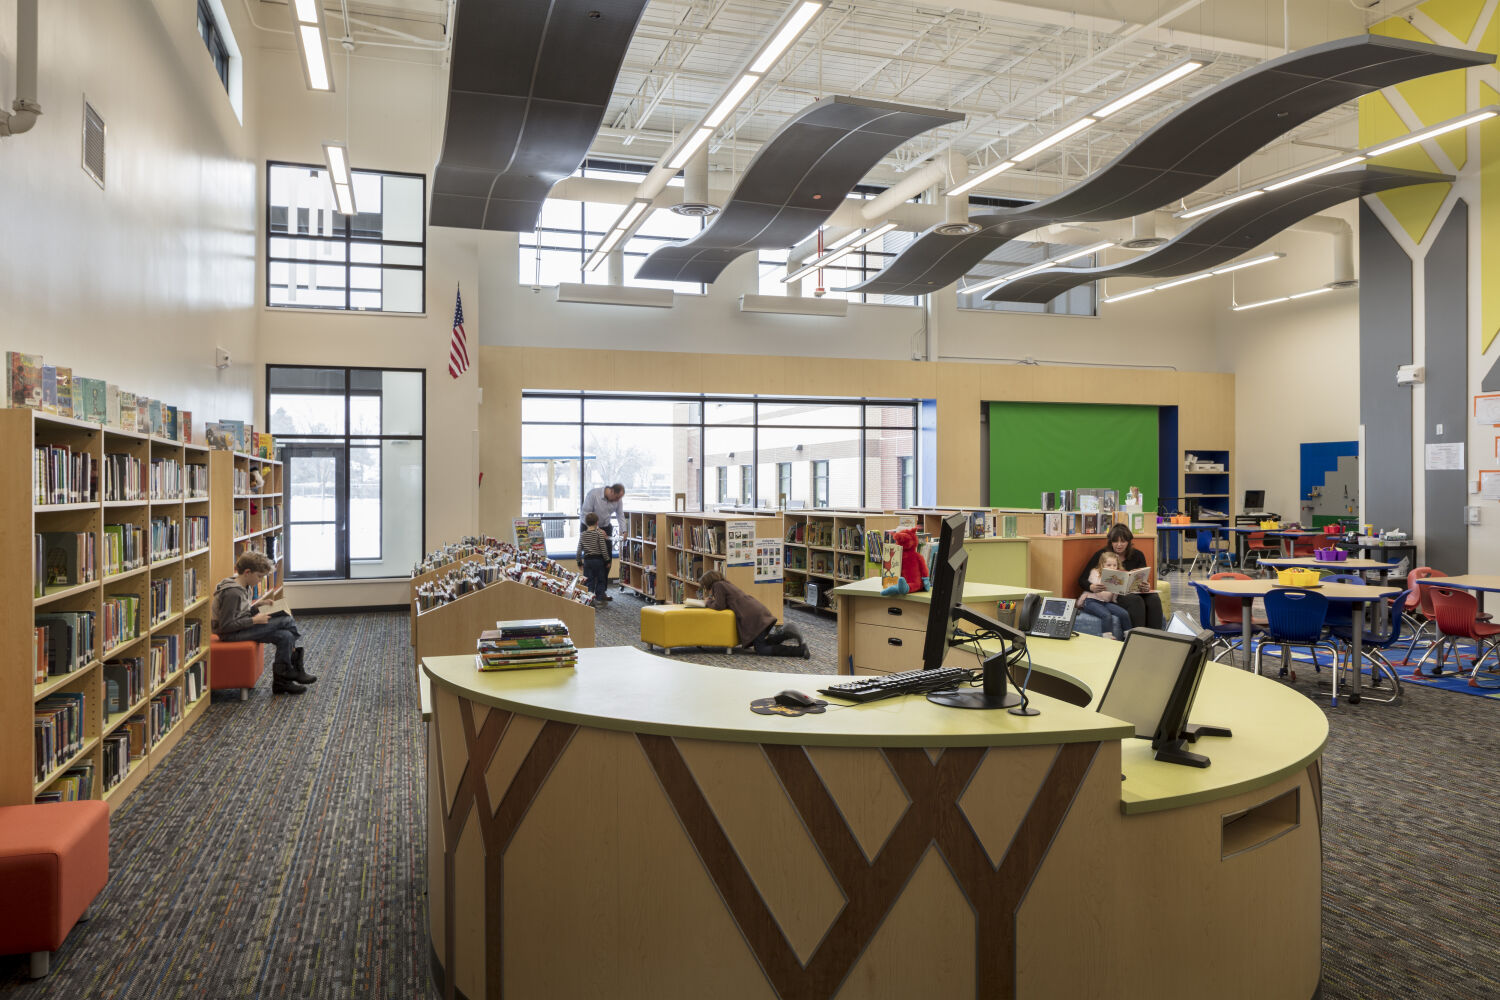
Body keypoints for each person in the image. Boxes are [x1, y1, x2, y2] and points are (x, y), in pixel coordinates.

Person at [212, 551, 316, 694]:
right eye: (259, 576)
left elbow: (241, 611)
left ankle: (281, 683)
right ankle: (295, 667)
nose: (260, 581)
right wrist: (254, 620)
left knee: (285, 636)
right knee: (286, 620)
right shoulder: (233, 593)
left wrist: (258, 605)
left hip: (242, 628)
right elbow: (226, 626)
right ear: (247, 572)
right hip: (231, 634)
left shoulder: (242, 585)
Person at [697, 570, 809, 658]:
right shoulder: (724, 583)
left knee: (762, 650)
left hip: (753, 617)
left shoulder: (718, 585)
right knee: (762, 644)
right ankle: (786, 633)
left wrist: (708, 602)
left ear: (708, 583)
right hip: (756, 612)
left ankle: (799, 650)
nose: (706, 590)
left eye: (705, 587)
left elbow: (719, 606)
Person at [1077, 524, 1164, 630]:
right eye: (1115, 541)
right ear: (1110, 542)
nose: (1119, 545)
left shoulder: (1137, 555)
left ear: (1129, 542)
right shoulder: (1102, 555)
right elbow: (1082, 580)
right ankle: (1138, 638)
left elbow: (1143, 577)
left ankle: (1156, 635)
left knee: (1154, 598)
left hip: (1135, 591)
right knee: (1136, 600)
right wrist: (1091, 587)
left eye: (1123, 541)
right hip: (1115, 594)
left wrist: (1146, 586)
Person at [580, 482, 625, 598]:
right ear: (611, 491)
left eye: (619, 498)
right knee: (591, 557)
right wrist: (597, 529)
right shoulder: (593, 494)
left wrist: (623, 531)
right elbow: (585, 514)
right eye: (616, 497)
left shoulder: (617, 500)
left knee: (606, 561)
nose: (617, 500)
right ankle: (589, 592)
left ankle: (601, 592)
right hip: (589, 525)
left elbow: (620, 515)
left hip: (606, 527)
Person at [1078, 551, 1134, 640]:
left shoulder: (1117, 576)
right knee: (1106, 615)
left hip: (1105, 602)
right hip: (1090, 600)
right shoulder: (1095, 572)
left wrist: (1120, 588)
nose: (1112, 567)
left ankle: (1129, 636)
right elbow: (1097, 587)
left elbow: (1112, 597)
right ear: (1102, 565)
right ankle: (1107, 636)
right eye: (1108, 565)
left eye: (1114, 565)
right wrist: (1110, 582)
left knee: (1124, 613)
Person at [575, 512, 611, 604]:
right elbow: (603, 548)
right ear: (597, 523)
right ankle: (599, 599)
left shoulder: (583, 534)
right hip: (598, 560)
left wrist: (579, 562)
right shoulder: (599, 534)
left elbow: (579, 550)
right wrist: (607, 560)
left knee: (589, 580)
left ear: (586, 523)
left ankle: (589, 599)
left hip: (587, 561)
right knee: (600, 579)